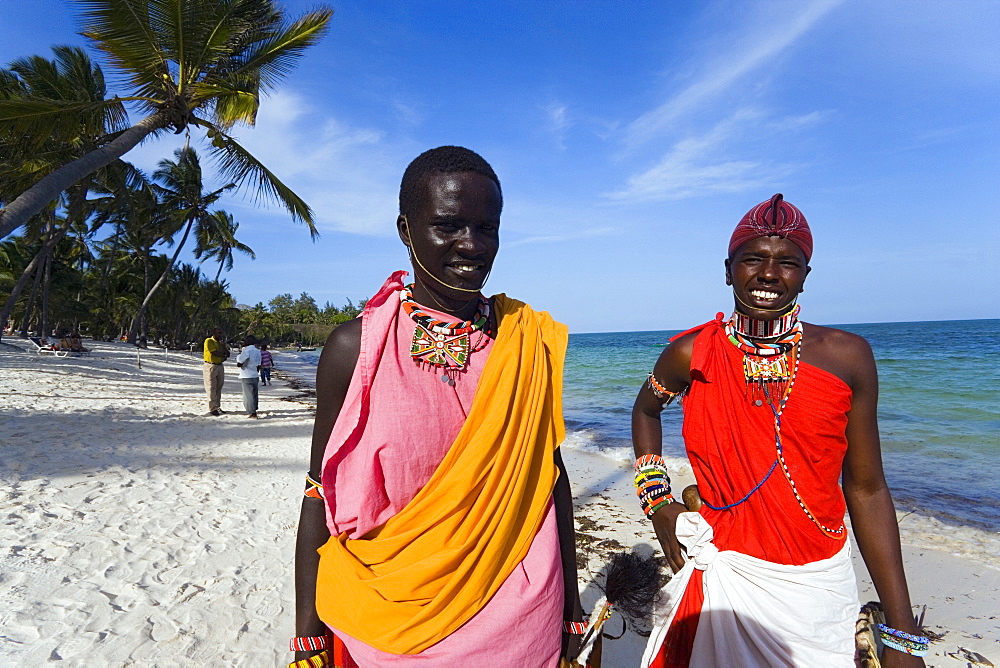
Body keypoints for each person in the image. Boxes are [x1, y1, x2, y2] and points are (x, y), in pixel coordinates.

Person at [291, 146, 584, 667]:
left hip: (520, 615)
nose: (470, 245)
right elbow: (319, 493)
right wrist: (308, 637)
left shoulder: (525, 343)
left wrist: (572, 608)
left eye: (486, 228)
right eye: (448, 226)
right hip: (391, 619)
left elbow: (550, 478)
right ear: (406, 230)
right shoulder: (354, 349)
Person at [632, 194, 925, 667]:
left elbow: (867, 490)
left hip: (818, 590)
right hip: (723, 578)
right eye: (753, 259)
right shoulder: (690, 355)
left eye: (788, 262)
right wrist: (657, 501)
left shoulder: (847, 357)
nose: (768, 275)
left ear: (806, 276)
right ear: (728, 270)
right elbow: (645, 412)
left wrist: (902, 633)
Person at [203, 327, 229, 416]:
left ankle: (217, 406)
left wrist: (223, 346)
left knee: (219, 387)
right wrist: (223, 356)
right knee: (211, 387)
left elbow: (228, 354)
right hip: (211, 366)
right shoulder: (209, 341)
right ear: (214, 333)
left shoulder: (220, 343)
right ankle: (212, 408)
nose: (220, 335)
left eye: (221, 333)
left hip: (220, 366)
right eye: (218, 333)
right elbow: (214, 352)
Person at [236, 335, 262, 418]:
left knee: (248, 395)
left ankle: (252, 412)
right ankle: (254, 408)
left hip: (246, 375)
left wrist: (238, 357)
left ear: (248, 341)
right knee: (254, 393)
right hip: (255, 374)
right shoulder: (257, 351)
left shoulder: (247, 350)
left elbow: (240, 362)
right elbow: (259, 364)